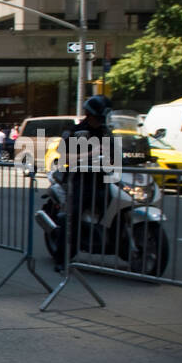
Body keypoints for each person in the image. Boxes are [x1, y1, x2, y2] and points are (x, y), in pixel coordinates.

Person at [52, 94, 114, 272]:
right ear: (91, 114)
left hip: (103, 179)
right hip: (79, 180)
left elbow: (119, 152)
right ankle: (61, 259)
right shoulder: (75, 131)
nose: (101, 120)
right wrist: (90, 154)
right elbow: (64, 156)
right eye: (100, 116)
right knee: (72, 215)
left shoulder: (107, 132)